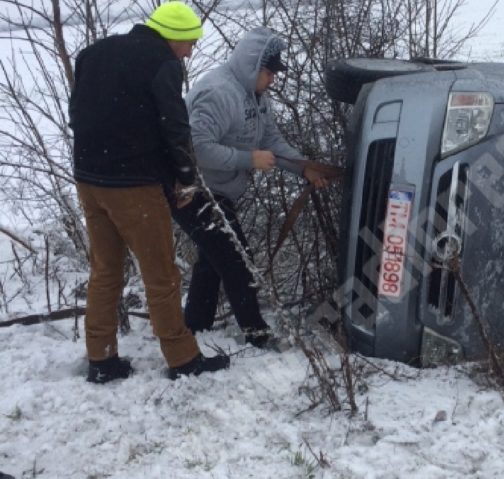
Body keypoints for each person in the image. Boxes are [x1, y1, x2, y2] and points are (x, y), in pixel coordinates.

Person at [69, 1, 230, 382]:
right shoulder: (163, 63)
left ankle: (101, 358)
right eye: (189, 43)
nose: (190, 52)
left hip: (89, 179)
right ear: (172, 36)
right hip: (133, 187)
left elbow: (77, 114)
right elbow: (176, 127)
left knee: (105, 271)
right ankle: (182, 359)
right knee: (162, 274)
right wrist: (186, 177)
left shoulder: (93, 53)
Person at [169, 27, 328, 348]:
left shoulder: (255, 97)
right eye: (269, 72)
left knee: (214, 260)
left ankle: (196, 326)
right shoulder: (218, 93)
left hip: (217, 192)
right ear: (253, 66)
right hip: (191, 190)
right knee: (236, 259)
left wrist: (305, 169)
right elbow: (195, 148)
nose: (273, 79)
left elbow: (272, 141)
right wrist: (248, 158)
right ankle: (257, 335)